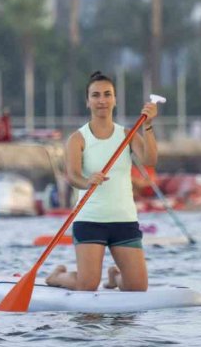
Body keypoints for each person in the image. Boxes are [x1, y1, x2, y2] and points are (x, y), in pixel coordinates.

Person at [46, 71, 159, 292]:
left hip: (123, 219)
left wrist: (148, 125)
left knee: (138, 288)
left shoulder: (127, 134)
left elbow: (150, 159)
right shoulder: (77, 139)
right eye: (96, 95)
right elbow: (73, 176)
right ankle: (58, 276)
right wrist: (88, 181)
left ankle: (115, 277)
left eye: (107, 95)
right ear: (88, 102)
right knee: (88, 285)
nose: (102, 100)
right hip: (90, 220)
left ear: (115, 100)